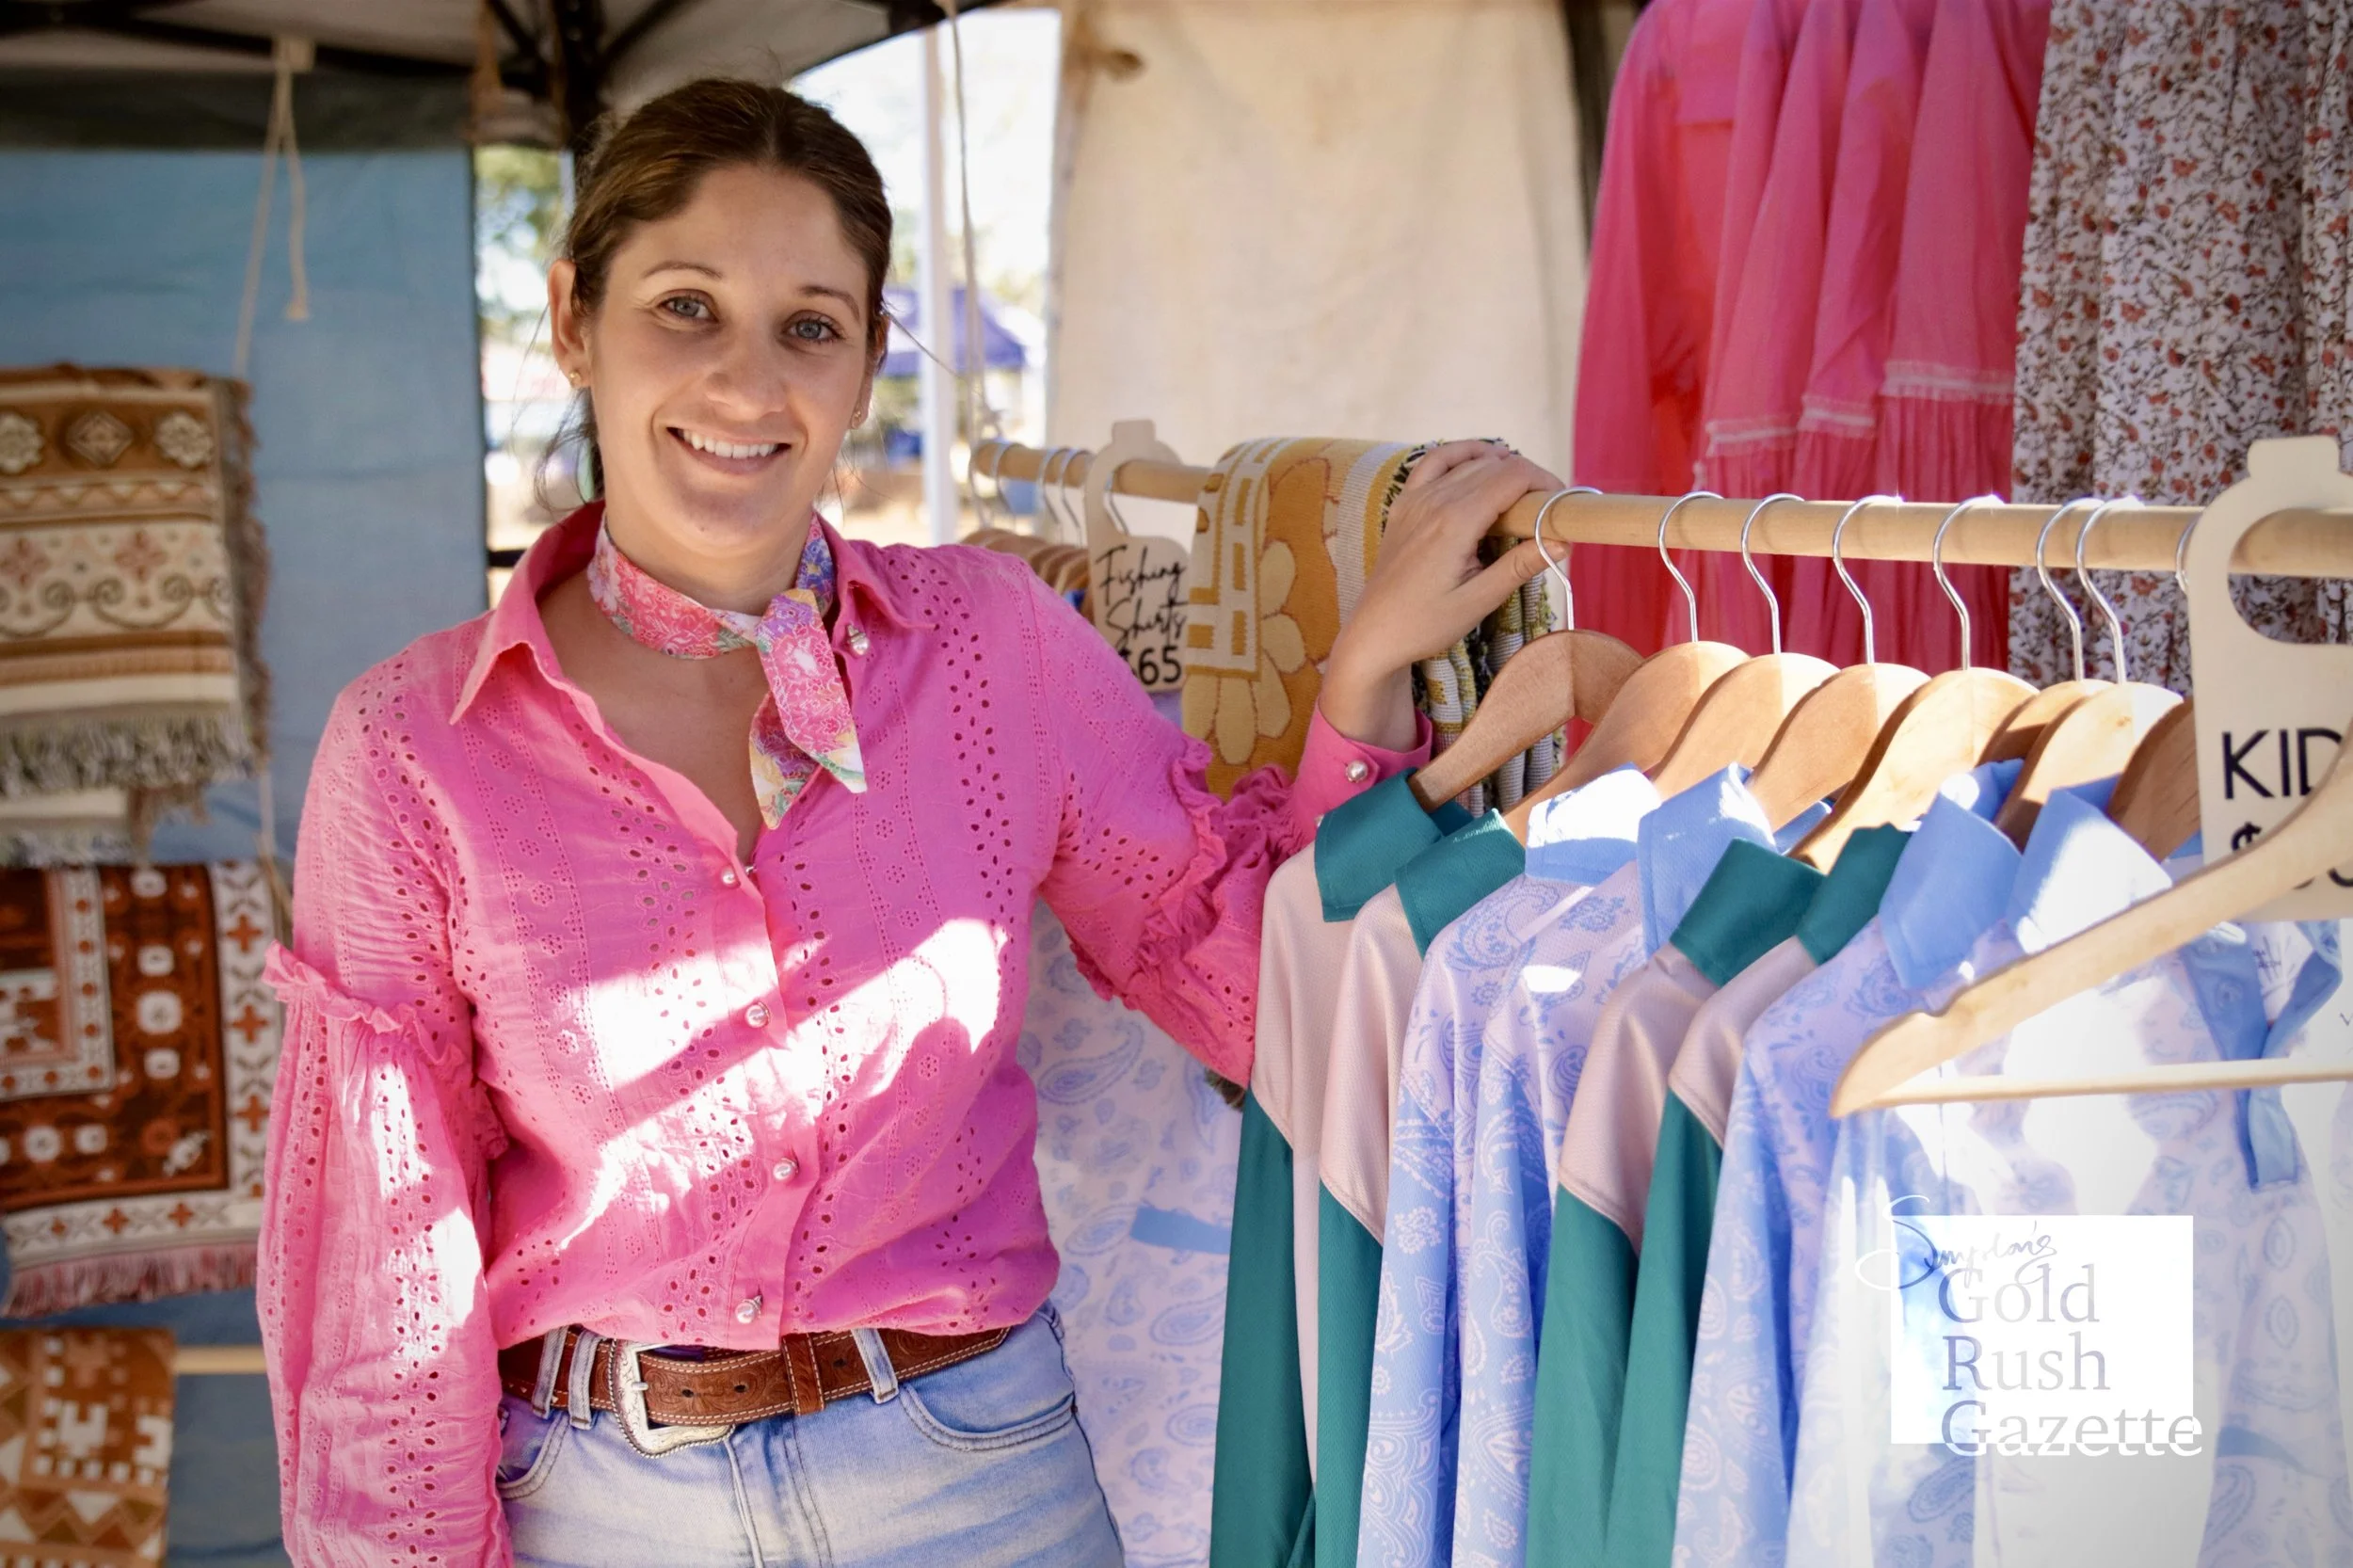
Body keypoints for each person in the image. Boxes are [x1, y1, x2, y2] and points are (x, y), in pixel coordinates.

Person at [259, 76, 1561, 1568]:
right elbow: (380, 1279)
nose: (750, 385)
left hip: (977, 1482)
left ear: (871, 357)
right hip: (597, 1508)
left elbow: (1247, 985)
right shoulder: (412, 747)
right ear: (572, 322)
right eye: (686, 307)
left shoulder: (993, 645)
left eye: (812, 325)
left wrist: (1365, 686)